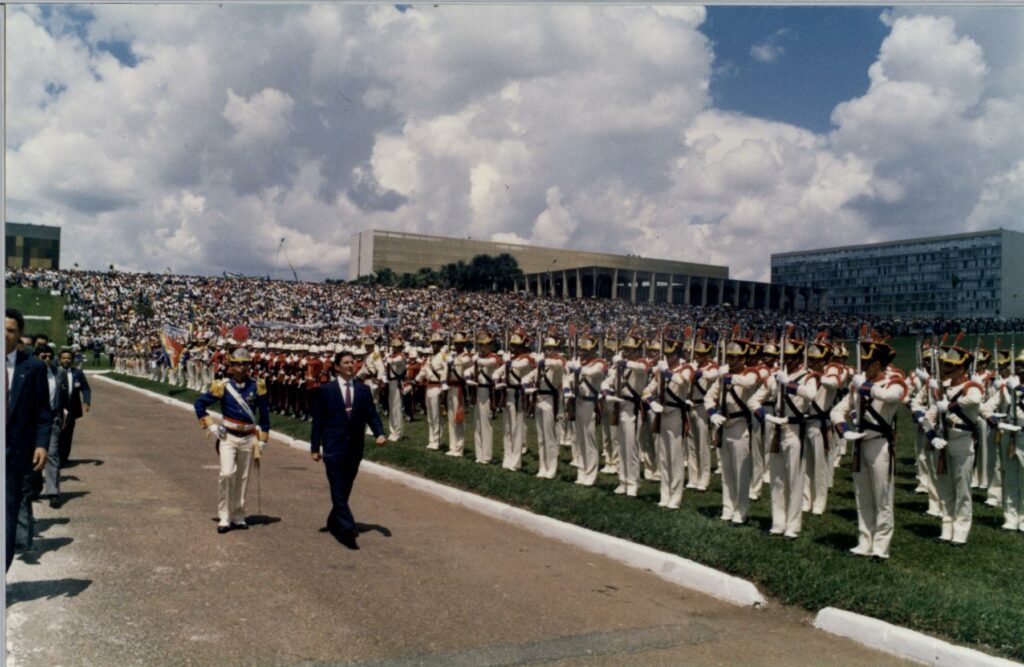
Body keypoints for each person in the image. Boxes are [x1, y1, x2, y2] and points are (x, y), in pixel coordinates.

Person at [831, 338, 905, 559]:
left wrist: (865, 386)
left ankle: (881, 546)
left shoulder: (894, 383)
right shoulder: (858, 385)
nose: (864, 368)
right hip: (860, 443)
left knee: (882, 496)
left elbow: (890, 397)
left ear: (880, 364)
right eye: (863, 364)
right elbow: (837, 411)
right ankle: (865, 541)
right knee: (862, 495)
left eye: (869, 364)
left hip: (881, 445)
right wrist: (844, 431)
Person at [310, 350, 386, 550]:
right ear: (336, 367)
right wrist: (314, 447)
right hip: (333, 447)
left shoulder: (362, 391)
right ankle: (348, 528)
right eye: (346, 363)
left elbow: (372, 414)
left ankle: (333, 520)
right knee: (337, 485)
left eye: (353, 362)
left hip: (354, 448)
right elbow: (318, 421)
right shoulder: (326, 391)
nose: (351, 365)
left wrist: (380, 433)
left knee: (345, 487)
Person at [194, 348, 270, 534]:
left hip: (249, 437)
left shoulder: (257, 386)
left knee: (243, 477)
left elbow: (265, 418)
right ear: (230, 365)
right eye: (236, 364)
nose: (240, 368)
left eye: (244, 364)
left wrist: (262, 440)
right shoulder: (223, 386)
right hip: (228, 437)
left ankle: (238, 515)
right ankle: (224, 516)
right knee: (227, 474)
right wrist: (211, 426)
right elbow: (200, 404)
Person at [5, 308, 52, 571]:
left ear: (19, 334)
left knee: (8, 517)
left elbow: (43, 413)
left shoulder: (32, 368)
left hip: (13, 456)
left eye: (10, 330)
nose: (4, 335)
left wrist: (41, 444)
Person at [56, 348, 91, 467]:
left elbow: (85, 388)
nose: (66, 360)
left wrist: (86, 401)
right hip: (56, 408)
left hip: (71, 408)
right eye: (64, 358)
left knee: (67, 434)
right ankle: (54, 457)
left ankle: (64, 458)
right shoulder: (54, 371)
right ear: (59, 359)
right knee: (57, 433)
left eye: (69, 358)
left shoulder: (77, 373)